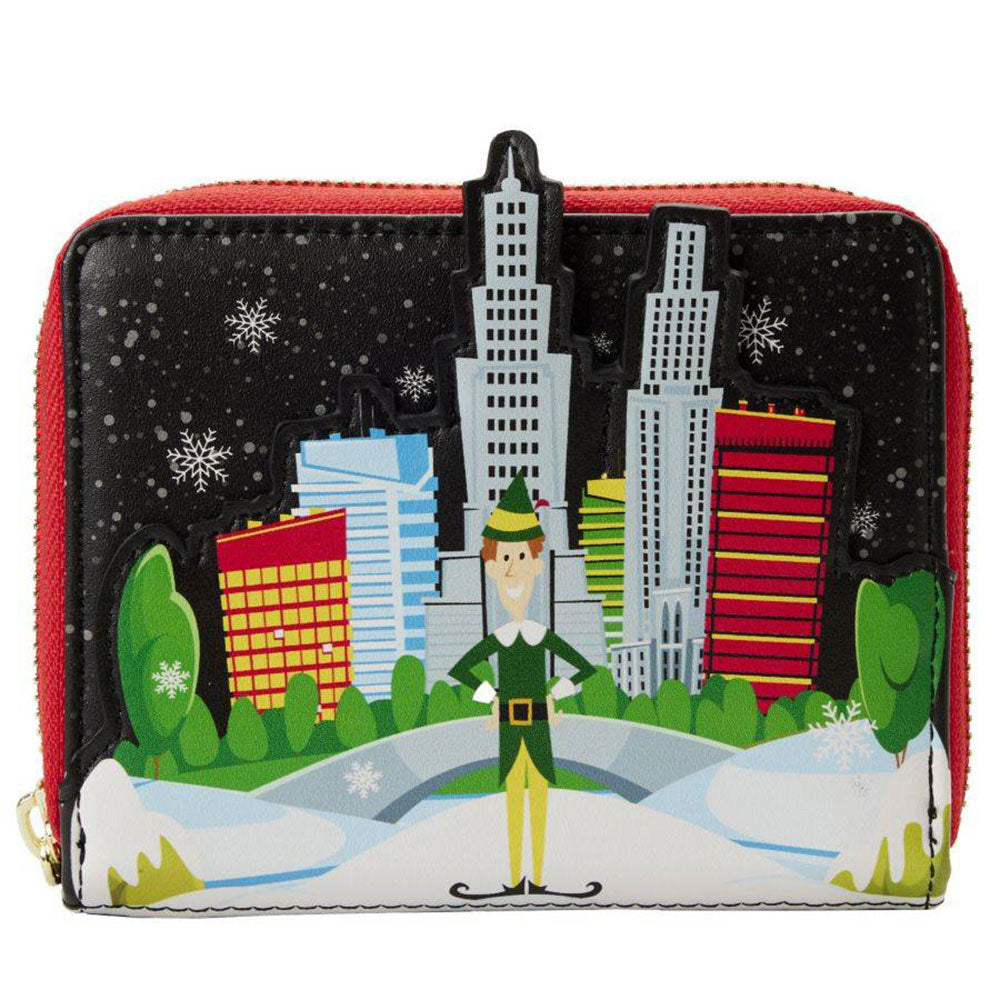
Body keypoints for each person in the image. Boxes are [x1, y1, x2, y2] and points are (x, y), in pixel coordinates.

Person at [448, 473, 601, 899]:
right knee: (514, 798)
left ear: (536, 563)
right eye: (503, 559)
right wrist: (492, 697)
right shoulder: (499, 637)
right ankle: (515, 878)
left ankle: (541, 876)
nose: (512, 568)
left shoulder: (539, 634)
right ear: (491, 568)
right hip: (509, 726)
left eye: (520, 557)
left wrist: (555, 694)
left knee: (540, 797)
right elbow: (461, 669)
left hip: (538, 725)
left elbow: (584, 668)